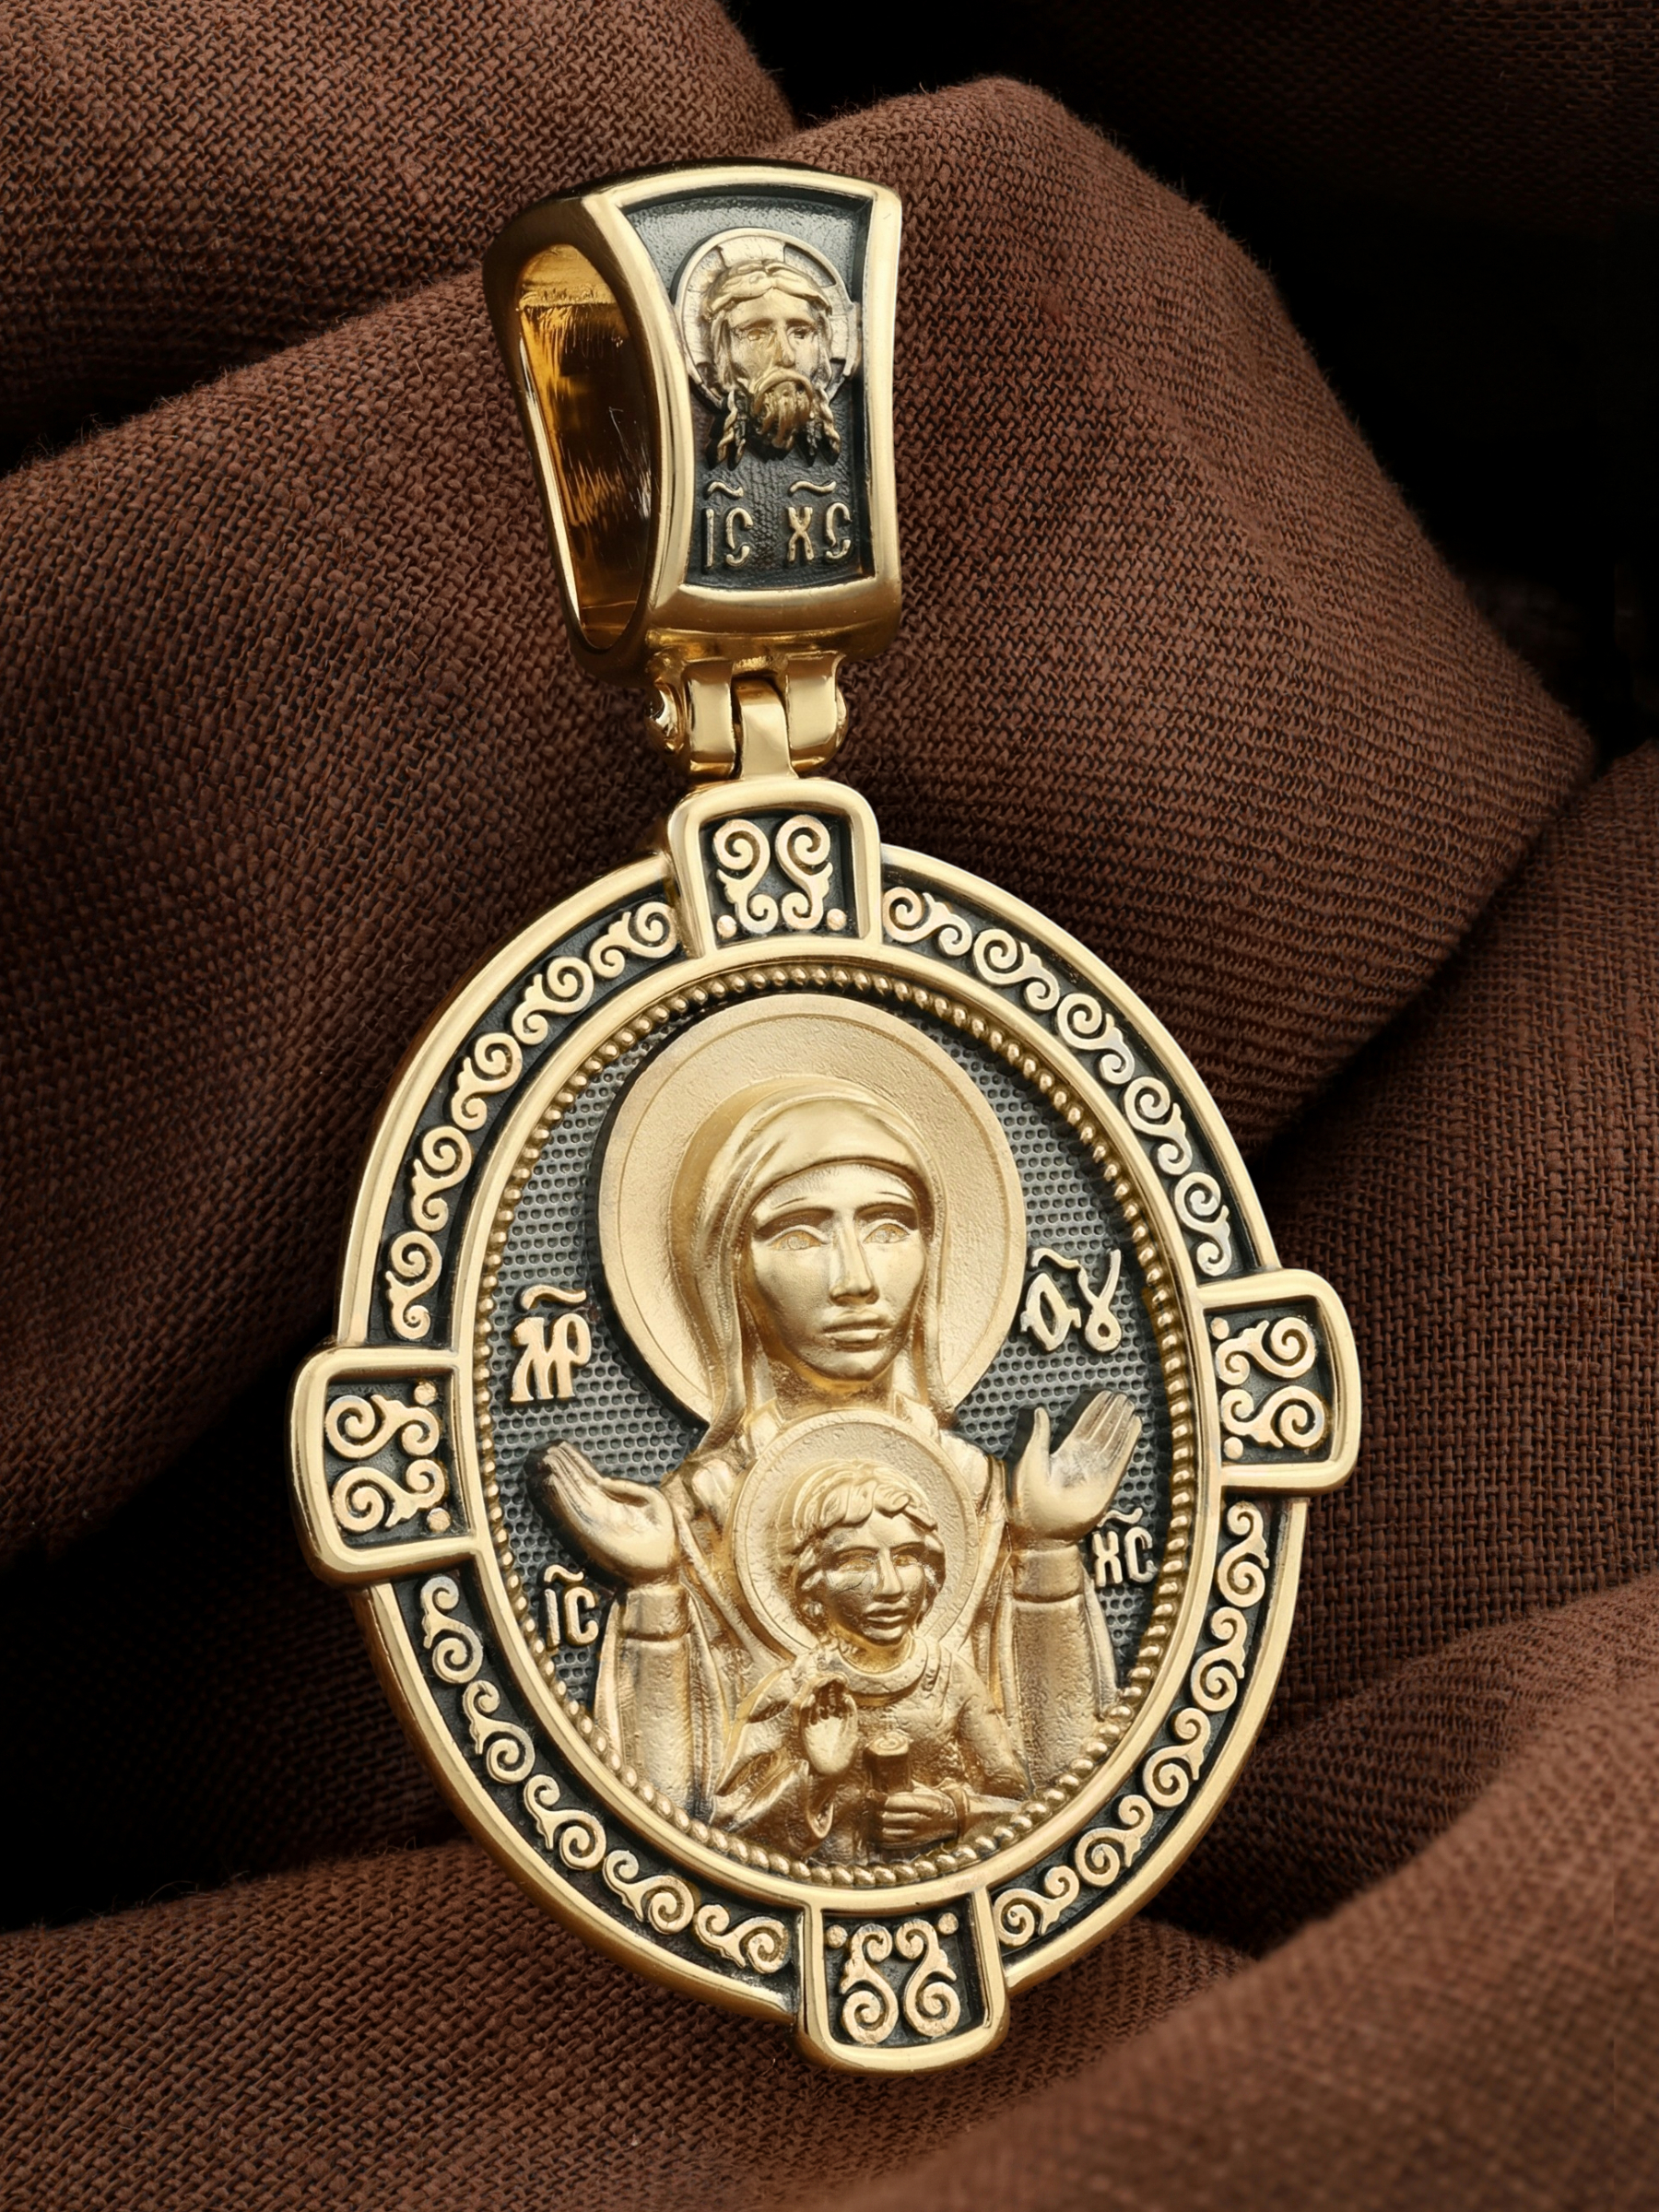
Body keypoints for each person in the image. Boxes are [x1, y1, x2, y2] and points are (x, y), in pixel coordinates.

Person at [536, 1075, 1137, 1838]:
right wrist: (656, 1587)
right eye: (800, 1236)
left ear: (933, 1252)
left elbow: (1067, 1795)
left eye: (888, 1228)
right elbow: (663, 1821)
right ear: (729, 1270)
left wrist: (1048, 1549)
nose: (856, 1280)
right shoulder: (689, 1517)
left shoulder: (986, 1494)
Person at [712, 1460, 1028, 1861]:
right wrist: (820, 1779)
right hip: (815, 1889)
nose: (890, 1587)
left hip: (942, 1886)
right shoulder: (793, 1693)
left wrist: (956, 1816)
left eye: (906, 1558)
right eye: (857, 1562)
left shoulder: (952, 1681)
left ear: (930, 1570)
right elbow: (728, 1835)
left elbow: (1025, 1808)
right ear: (813, 1583)